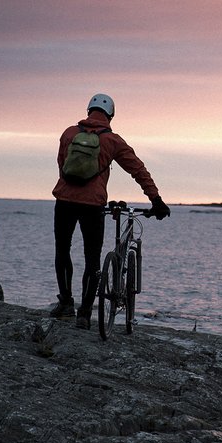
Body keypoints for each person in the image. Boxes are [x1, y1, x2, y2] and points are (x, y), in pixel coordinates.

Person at [51, 93, 170, 329]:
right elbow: (138, 170)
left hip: (64, 200)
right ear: (111, 116)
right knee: (92, 259)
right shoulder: (113, 141)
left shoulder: (69, 133)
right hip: (92, 206)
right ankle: (84, 314)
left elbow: (62, 164)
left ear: (88, 111)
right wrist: (156, 199)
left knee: (62, 252)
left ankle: (65, 304)